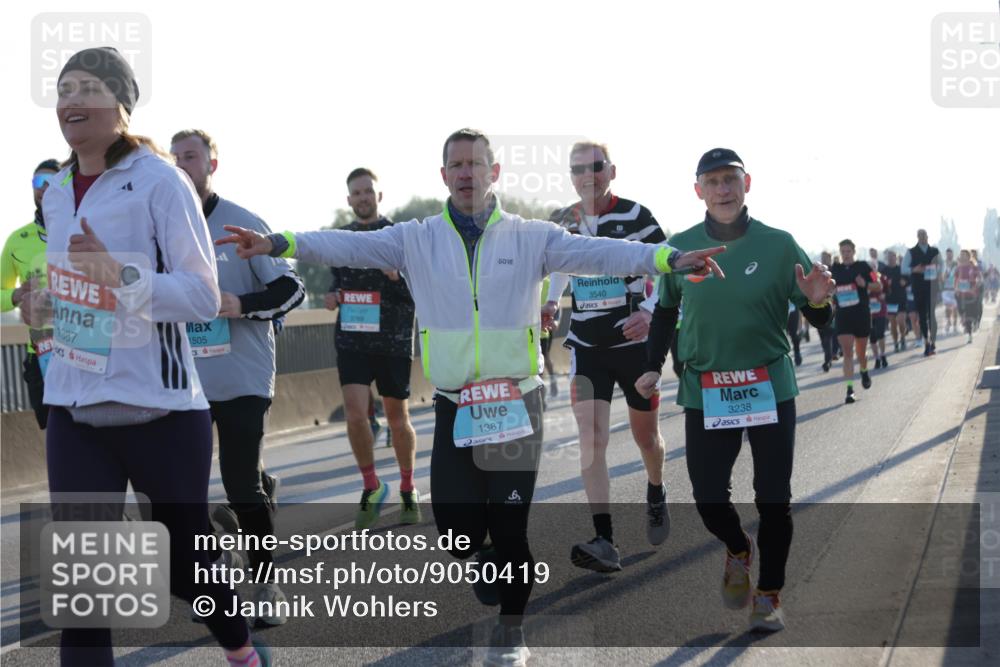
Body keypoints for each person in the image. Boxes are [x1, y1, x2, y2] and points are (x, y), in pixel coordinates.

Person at [218, 128, 725, 665]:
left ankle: (511, 632)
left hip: (516, 402)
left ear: (494, 173)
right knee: (458, 531)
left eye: (476, 164)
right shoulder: (415, 237)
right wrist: (280, 243)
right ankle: (483, 554)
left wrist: (669, 260)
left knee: (511, 527)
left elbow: (599, 253)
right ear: (444, 176)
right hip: (457, 402)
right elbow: (347, 243)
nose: (466, 173)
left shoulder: (533, 236)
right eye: (456, 165)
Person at [32, 47, 268, 667]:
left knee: (188, 570)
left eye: (86, 90)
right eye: (62, 90)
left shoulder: (160, 180)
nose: (69, 103)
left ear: (120, 104)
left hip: (160, 410)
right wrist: (45, 308)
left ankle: (242, 650)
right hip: (74, 410)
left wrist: (120, 278)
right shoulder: (56, 191)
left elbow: (201, 295)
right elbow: (79, 294)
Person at [637, 147, 834, 633]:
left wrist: (816, 304)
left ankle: (768, 596)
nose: (723, 189)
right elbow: (664, 311)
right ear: (698, 189)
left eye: (731, 179)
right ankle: (738, 548)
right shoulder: (682, 247)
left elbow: (820, 311)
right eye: (713, 181)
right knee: (706, 497)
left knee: (773, 499)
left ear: (748, 184)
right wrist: (651, 366)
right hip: (707, 389)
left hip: (769, 386)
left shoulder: (780, 244)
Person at [171, 128, 305, 626]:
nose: (182, 165)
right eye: (175, 158)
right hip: (183, 382)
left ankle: (265, 584)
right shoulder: (163, 228)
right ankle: (216, 560)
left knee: (238, 482)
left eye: (192, 156)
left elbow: (292, 291)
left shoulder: (242, 224)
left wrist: (239, 304)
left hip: (244, 376)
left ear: (212, 165)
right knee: (175, 487)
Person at [541, 141, 670, 572]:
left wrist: (651, 316)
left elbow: (671, 274)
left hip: (635, 348)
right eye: (578, 169)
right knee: (592, 440)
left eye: (595, 167)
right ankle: (605, 539)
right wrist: (550, 301)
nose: (587, 175)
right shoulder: (565, 221)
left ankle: (656, 489)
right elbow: (558, 264)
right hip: (586, 348)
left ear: (611, 171)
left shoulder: (637, 217)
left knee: (645, 439)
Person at [323, 167, 420, 529]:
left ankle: (408, 487)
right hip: (352, 339)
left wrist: (398, 277)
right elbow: (337, 283)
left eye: (368, 191)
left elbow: (419, 292)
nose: (363, 197)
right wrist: (332, 297)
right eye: (356, 193)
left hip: (393, 341)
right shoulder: (341, 239)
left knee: (397, 419)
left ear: (379, 196)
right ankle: (371, 485)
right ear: (349, 200)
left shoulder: (399, 237)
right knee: (354, 413)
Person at [1, 159, 60, 429]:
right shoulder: (16, 239)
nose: (43, 188)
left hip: (88, 344)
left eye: (51, 182)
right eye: (38, 182)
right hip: (41, 352)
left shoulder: (84, 229)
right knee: (54, 433)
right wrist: (15, 296)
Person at [832, 239, 878, 404]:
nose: (845, 254)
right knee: (847, 353)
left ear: (853, 251)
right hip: (843, 316)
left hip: (861, 314)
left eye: (848, 251)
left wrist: (864, 283)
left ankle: (864, 370)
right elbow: (826, 289)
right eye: (842, 251)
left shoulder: (864, 267)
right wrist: (831, 291)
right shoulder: (834, 269)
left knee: (861, 351)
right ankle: (850, 390)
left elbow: (878, 285)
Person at [902, 229, 941, 356]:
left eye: (924, 235)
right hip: (918, 288)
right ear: (917, 237)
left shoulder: (934, 251)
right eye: (920, 235)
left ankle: (932, 340)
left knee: (931, 315)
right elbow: (903, 269)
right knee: (922, 317)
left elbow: (942, 265)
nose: (923, 237)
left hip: (932, 287)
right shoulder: (911, 252)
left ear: (928, 236)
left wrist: (939, 271)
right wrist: (914, 269)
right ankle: (926, 342)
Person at [816, 250, 838, 372]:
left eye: (826, 258)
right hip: (818, 307)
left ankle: (828, 360)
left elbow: (838, 287)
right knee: (822, 335)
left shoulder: (835, 271)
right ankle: (829, 354)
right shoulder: (817, 273)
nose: (824, 260)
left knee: (829, 334)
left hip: (833, 306)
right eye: (822, 257)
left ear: (830, 259)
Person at [954, 250, 982, 343]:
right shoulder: (958, 268)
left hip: (971, 294)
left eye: (964, 255)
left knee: (970, 313)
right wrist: (956, 288)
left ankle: (970, 334)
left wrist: (976, 283)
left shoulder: (973, 267)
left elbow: (979, 277)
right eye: (961, 255)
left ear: (968, 256)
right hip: (961, 294)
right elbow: (956, 280)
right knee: (962, 312)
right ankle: (965, 321)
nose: (962, 256)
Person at [883, 250, 908, 352]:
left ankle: (902, 337)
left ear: (896, 257)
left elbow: (909, 280)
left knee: (901, 321)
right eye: (889, 257)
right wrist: (885, 284)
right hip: (890, 300)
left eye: (892, 256)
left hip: (901, 298)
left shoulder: (902, 269)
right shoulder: (884, 270)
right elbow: (878, 281)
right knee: (893, 323)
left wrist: (905, 282)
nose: (891, 258)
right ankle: (895, 342)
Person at [941, 249, 958, 334]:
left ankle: (955, 325)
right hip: (946, 289)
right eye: (948, 254)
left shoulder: (956, 264)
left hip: (954, 289)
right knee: (948, 308)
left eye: (950, 254)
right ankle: (948, 322)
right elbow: (941, 278)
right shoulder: (943, 264)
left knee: (955, 308)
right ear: (946, 255)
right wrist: (944, 276)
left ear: (953, 254)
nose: (949, 256)